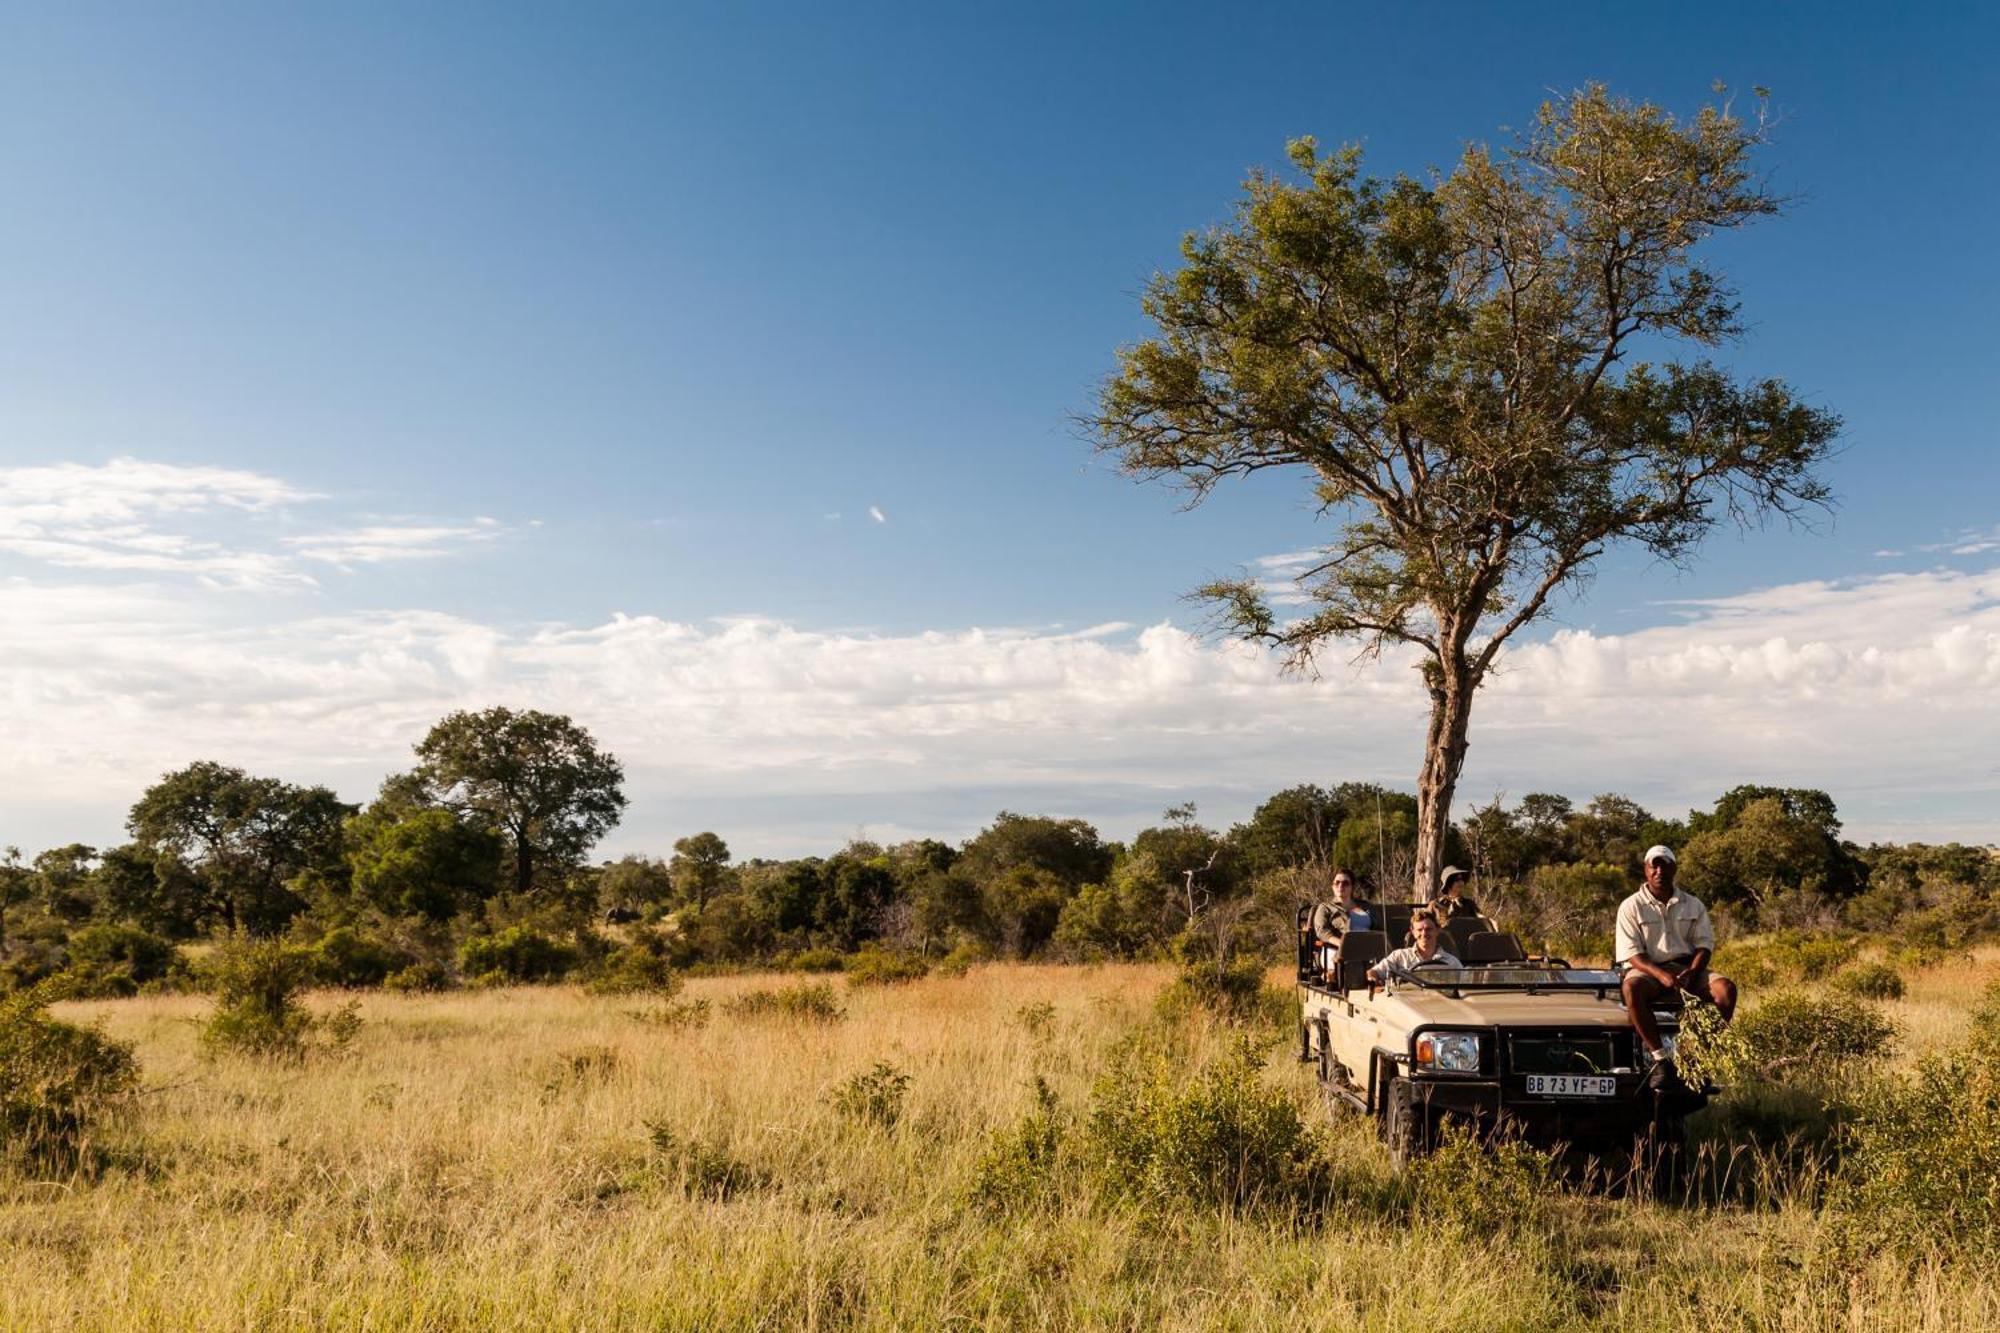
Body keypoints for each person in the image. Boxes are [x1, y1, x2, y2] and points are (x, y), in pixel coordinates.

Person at [1616, 845, 1737, 1085]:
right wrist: (1662, 976)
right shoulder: (1630, 906)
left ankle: (1696, 1057)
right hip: (1648, 970)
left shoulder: (1693, 904)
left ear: (1674, 868)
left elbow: (1704, 945)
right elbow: (1632, 954)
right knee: (1631, 989)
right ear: (1646, 869)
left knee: (1726, 990)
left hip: (1688, 968)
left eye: (1665, 864)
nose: (1659, 870)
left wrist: (1692, 972)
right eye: (1654, 865)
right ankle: (1660, 1059)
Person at [1368, 909, 1461, 983]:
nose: (1424, 933)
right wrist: (1373, 979)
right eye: (1419, 930)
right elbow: (1374, 972)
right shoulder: (1400, 956)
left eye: (1429, 929)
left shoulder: (1452, 962)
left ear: (1437, 930)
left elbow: (1465, 984)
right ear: (1413, 932)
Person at [1310, 869, 1372, 940]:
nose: (1340, 886)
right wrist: (1342, 944)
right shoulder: (1325, 907)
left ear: (1352, 887)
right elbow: (1321, 931)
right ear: (1332, 887)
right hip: (1338, 948)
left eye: (1345, 883)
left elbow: (1380, 926)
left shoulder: (1365, 905)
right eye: (1337, 882)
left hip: (1367, 946)